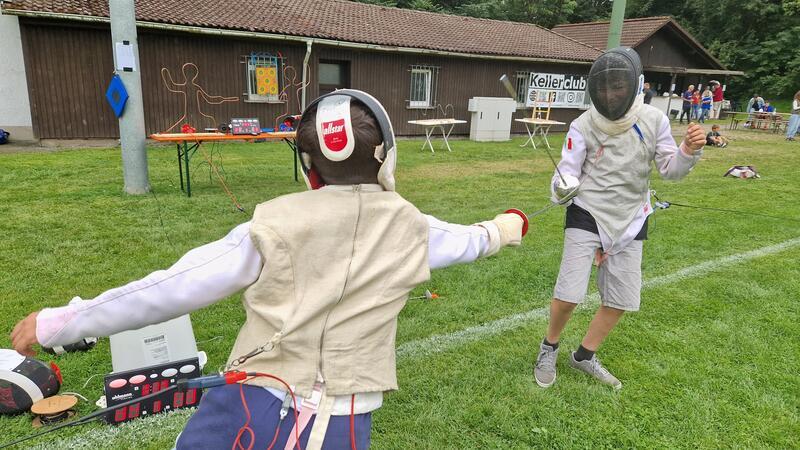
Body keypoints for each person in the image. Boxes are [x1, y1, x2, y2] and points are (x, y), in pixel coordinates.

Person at [10, 90, 527, 449]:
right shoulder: (414, 226)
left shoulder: (273, 222)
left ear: (309, 166)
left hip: (249, 402)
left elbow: (174, 286)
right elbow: (472, 240)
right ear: (386, 157)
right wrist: (506, 226)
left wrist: (63, 321)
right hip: (338, 421)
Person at [532, 47, 706, 390]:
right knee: (568, 293)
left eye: (618, 87)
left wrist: (688, 151)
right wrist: (561, 186)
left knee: (623, 297)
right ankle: (548, 346)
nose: (611, 94)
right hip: (587, 212)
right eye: (606, 87)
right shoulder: (582, 125)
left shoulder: (654, 120)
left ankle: (584, 354)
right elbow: (565, 173)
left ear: (635, 85)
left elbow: (670, 170)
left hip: (630, 217)